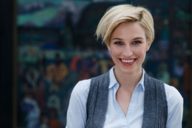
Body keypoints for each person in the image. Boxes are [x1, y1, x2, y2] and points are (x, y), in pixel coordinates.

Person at [66, 4, 183, 128]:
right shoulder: (84, 93)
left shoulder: (170, 98)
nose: (127, 53)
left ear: (148, 42)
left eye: (136, 42)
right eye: (119, 43)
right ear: (108, 45)